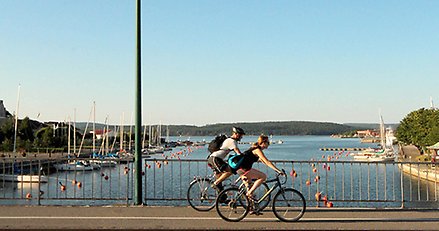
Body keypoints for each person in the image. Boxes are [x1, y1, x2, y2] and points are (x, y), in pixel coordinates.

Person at [236, 135, 283, 201]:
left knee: (251, 189)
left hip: (241, 169)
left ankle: (251, 209)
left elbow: (263, 161)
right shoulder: (257, 150)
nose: (268, 144)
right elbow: (267, 161)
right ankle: (249, 193)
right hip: (244, 169)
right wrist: (278, 170)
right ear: (263, 143)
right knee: (263, 177)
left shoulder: (255, 148)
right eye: (268, 143)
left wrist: (272, 168)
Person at [207, 127, 245, 191]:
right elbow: (238, 153)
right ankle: (215, 183)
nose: (241, 137)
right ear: (236, 134)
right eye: (240, 135)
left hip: (216, 159)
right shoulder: (232, 141)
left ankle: (222, 199)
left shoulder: (230, 140)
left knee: (220, 182)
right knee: (229, 171)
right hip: (215, 159)